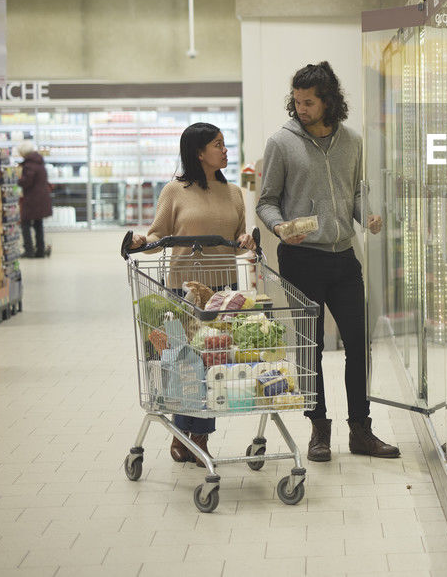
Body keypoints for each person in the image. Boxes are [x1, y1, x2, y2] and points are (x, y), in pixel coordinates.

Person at [256, 61, 399, 462]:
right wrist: (280, 226)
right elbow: (265, 201)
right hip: (300, 258)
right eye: (297, 101)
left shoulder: (351, 141)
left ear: (328, 102)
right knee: (310, 346)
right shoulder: (281, 143)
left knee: (359, 344)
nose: (300, 108)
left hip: (343, 257)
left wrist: (366, 213)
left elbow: (354, 193)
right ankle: (319, 429)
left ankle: (361, 430)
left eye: (309, 102)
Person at [129, 122, 255, 464]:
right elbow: (158, 237)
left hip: (222, 291)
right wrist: (141, 242)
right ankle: (189, 435)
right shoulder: (175, 190)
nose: (225, 150)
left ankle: (195, 436)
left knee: (213, 362)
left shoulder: (233, 193)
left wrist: (248, 241)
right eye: (218, 145)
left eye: (225, 144)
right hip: (183, 291)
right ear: (199, 152)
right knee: (188, 365)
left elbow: (241, 240)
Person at [17, 140, 52, 258]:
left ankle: (29, 250)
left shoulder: (29, 165)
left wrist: (17, 180)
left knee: (25, 223)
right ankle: (40, 250)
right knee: (38, 224)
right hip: (42, 197)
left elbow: (27, 182)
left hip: (32, 198)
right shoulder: (39, 162)